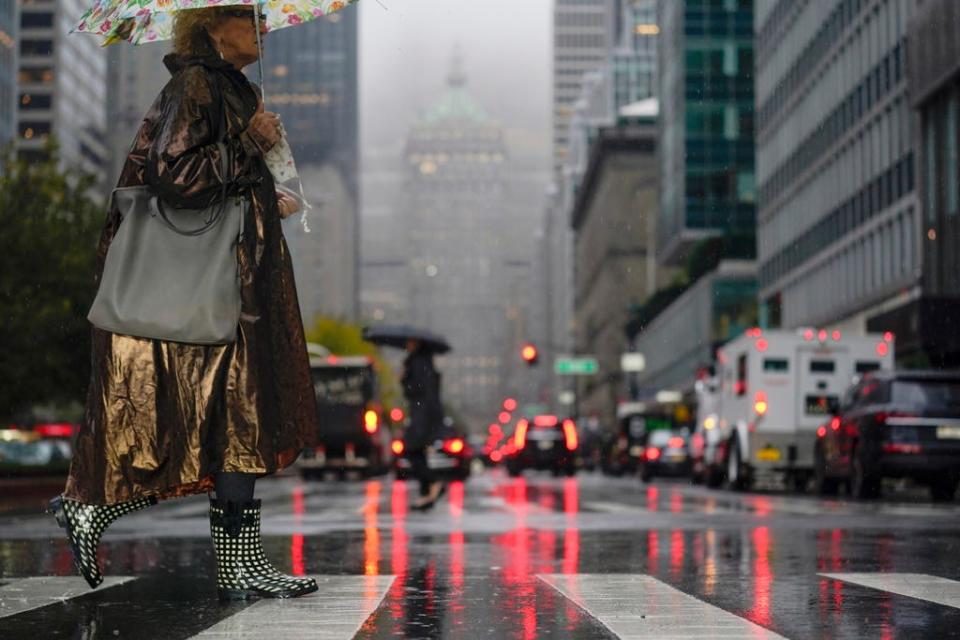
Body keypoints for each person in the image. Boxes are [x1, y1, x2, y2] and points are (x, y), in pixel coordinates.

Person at [48, 6, 319, 600]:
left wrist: (266, 197)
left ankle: (238, 561)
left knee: (237, 420)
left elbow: (214, 176)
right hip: (216, 283)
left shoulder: (229, 88)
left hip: (234, 279)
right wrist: (250, 141)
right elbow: (175, 173)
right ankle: (92, 506)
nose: (262, 28)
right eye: (249, 18)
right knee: (233, 415)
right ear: (213, 27)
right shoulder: (197, 84)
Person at [401, 339, 447, 510]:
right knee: (417, 452)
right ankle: (427, 494)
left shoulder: (418, 363)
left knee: (412, 450)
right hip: (425, 415)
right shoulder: (422, 362)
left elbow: (417, 390)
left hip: (422, 415)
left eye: (410, 343)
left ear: (417, 344)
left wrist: (404, 377)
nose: (407, 345)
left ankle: (434, 484)